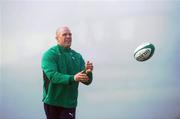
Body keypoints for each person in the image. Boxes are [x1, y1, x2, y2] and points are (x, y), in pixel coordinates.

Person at [41, 26, 93, 119]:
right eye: (64, 34)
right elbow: (53, 76)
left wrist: (88, 72)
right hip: (52, 102)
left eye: (70, 34)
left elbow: (87, 81)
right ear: (57, 38)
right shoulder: (49, 54)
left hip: (69, 103)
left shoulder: (77, 56)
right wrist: (73, 78)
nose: (68, 36)